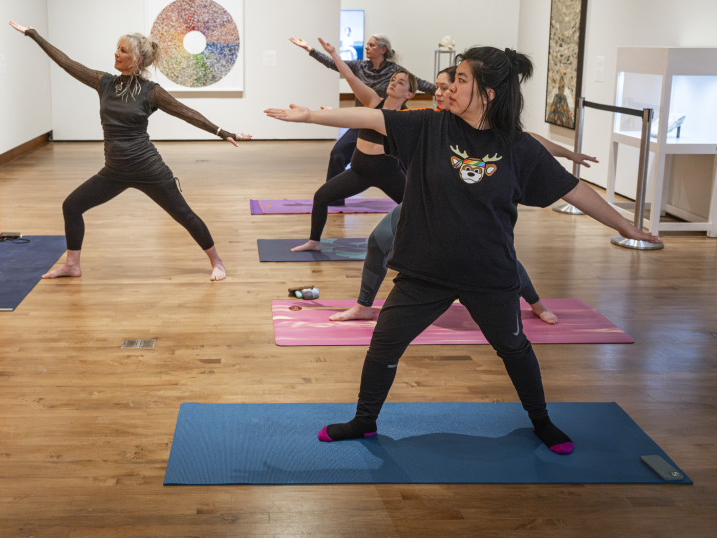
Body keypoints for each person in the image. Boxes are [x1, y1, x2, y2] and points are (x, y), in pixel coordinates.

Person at [266, 46, 661, 455]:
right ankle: (364, 421)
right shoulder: (430, 127)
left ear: (488, 93)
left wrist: (628, 226)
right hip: (424, 271)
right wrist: (311, 116)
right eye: (452, 81)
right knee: (384, 345)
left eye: (461, 81)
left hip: (488, 275)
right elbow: (370, 116)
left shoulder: (519, 148)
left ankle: (542, 421)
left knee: (514, 348)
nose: (449, 89)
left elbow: (577, 192)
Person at [321, 65, 598, 325]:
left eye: (447, 86)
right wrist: (324, 115)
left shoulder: (472, 122)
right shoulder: (425, 119)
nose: (440, 92)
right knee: (378, 241)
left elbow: (529, 140)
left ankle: (536, 302)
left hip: (467, 207)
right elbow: (373, 117)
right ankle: (363, 305)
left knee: (498, 255)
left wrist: (568, 153)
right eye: (438, 87)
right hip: (425, 202)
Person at [10, 20, 250, 281]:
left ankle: (217, 262)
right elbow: (67, 64)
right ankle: (72, 265)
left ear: (137, 60)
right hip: (114, 171)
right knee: (72, 206)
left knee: (184, 215)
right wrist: (34, 35)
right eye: (117, 48)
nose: (116, 53)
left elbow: (186, 113)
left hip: (149, 169)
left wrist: (221, 131)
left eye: (123, 50)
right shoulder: (104, 83)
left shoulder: (151, 92)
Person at [290, 37, 415, 252]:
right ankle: (314, 242)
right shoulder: (374, 101)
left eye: (400, 82)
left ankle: (412, 247)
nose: (394, 82)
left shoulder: (409, 118)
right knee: (321, 197)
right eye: (393, 79)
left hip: (389, 173)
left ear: (410, 94)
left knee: (414, 208)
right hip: (359, 171)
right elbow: (349, 76)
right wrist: (333, 54)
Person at [289, 33, 434, 188]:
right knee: (338, 154)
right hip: (361, 122)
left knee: (403, 162)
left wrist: (447, 93)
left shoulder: (396, 71)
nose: (367, 47)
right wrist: (309, 49)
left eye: (372, 45)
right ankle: (334, 201)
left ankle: (413, 199)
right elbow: (333, 64)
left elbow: (421, 84)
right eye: (367, 44)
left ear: (383, 49)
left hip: (387, 126)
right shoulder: (360, 66)